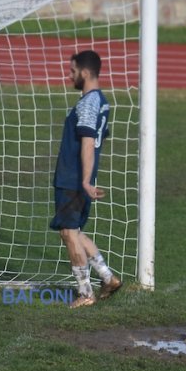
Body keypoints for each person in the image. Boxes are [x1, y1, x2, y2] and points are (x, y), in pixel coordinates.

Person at [50, 49, 121, 308]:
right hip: (77, 178)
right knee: (74, 232)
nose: (70, 76)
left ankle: (85, 293)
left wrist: (85, 181)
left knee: (69, 234)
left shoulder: (89, 103)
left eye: (73, 71)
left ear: (86, 72)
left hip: (73, 179)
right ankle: (108, 277)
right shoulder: (101, 102)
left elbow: (89, 142)